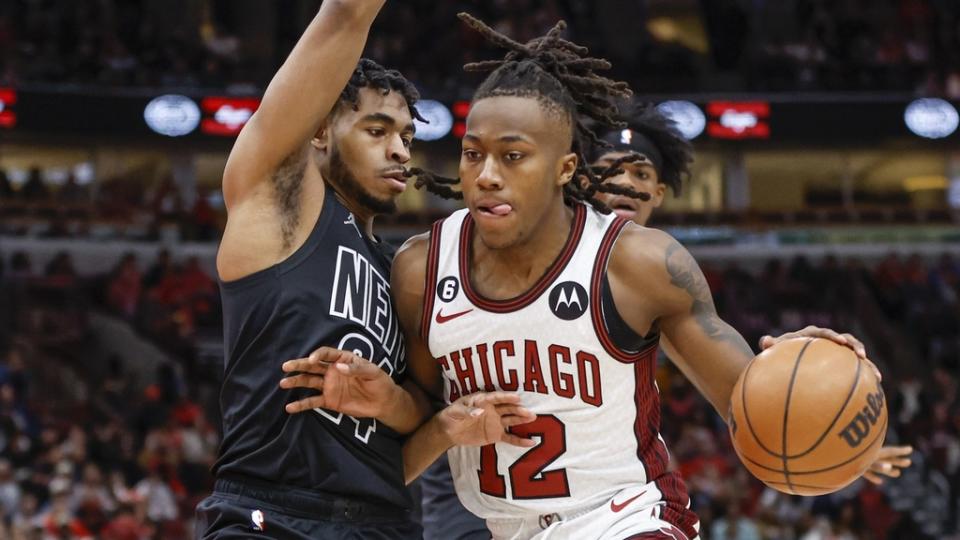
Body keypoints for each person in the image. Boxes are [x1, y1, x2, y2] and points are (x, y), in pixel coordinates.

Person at [391, 15, 884, 539]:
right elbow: (419, 413)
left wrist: (798, 375)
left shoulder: (639, 263)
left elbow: (748, 401)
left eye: (513, 156)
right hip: (503, 528)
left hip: (626, 518)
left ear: (566, 168)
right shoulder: (422, 268)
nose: (487, 175)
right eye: (473, 155)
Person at [195, 2, 531, 538]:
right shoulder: (280, 204)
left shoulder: (406, 269)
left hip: (384, 522)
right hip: (271, 513)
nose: (400, 150)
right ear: (321, 130)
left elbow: (416, 424)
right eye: (378, 131)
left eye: (406, 138)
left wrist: (390, 401)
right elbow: (344, 16)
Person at [590, 103, 913, 487]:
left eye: (640, 173)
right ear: (577, 179)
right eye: (606, 170)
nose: (625, 182)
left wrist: (815, 412)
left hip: (612, 504)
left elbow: (742, 397)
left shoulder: (661, 275)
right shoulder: (529, 252)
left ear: (658, 192)